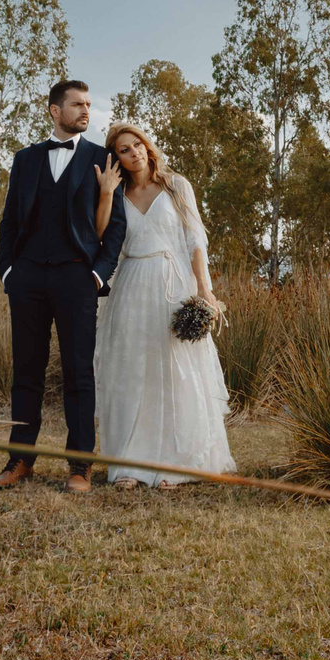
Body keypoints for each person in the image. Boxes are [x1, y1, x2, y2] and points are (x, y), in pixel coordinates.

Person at [0, 80, 126, 493]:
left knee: (79, 374)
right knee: (25, 372)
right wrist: (8, 271)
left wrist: (98, 274)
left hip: (77, 278)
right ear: (54, 110)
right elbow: (10, 219)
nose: (85, 111)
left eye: (88, 104)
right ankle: (19, 461)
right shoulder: (25, 159)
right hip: (27, 277)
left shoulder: (102, 157)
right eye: (77, 104)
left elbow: (115, 225)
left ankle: (79, 467)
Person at [91, 119, 235, 488]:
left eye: (137, 144)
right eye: (124, 149)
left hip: (174, 285)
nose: (133, 152)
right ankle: (130, 466)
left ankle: (176, 464)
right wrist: (106, 193)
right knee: (133, 372)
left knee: (175, 371)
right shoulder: (117, 194)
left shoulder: (176, 186)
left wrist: (205, 288)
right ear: (117, 158)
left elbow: (195, 239)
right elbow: (102, 237)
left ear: (147, 146)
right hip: (132, 285)